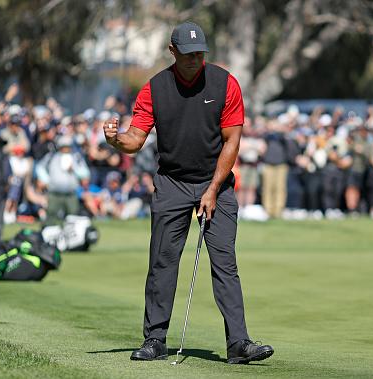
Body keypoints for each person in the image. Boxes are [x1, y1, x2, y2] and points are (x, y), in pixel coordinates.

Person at [103, 21, 274, 364]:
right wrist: (116, 140)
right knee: (163, 262)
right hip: (172, 183)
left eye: (200, 53)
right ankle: (155, 339)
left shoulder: (226, 84)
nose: (195, 59)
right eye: (188, 54)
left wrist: (212, 189)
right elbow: (135, 139)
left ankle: (238, 344)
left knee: (225, 262)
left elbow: (232, 141)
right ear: (173, 52)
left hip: (217, 182)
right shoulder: (155, 89)